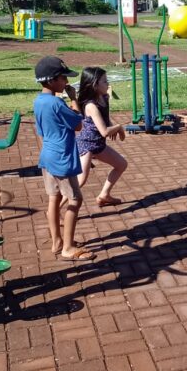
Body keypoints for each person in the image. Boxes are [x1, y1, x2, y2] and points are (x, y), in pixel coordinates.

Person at [34, 56, 95, 261]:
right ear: (51, 80)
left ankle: (57, 242)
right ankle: (68, 247)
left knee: (54, 198)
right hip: (62, 158)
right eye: (63, 78)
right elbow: (78, 125)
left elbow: (40, 131)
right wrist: (74, 100)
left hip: (47, 156)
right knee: (75, 200)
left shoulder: (38, 101)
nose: (66, 82)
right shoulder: (57, 103)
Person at [74, 67, 128, 207]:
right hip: (87, 144)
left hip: (98, 144)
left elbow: (105, 120)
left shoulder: (104, 98)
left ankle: (104, 195)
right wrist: (118, 127)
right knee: (81, 180)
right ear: (94, 85)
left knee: (121, 164)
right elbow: (104, 131)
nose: (108, 84)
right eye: (104, 81)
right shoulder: (91, 106)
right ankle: (57, 207)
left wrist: (112, 126)